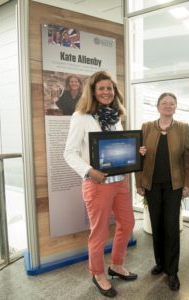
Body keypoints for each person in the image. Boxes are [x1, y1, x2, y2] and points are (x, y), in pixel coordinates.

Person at [64, 71, 138, 298]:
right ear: (93, 92)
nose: (106, 92)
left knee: (128, 223)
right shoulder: (81, 117)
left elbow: (117, 148)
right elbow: (69, 153)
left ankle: (116, 265)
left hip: (119, 181)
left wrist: (136, 152)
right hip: (97, 185)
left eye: (110, 88)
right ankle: (98, 274)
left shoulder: (115, 117)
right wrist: (89, 171)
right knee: (99, 232)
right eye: (102, 88)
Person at [135, 92, 189, 291]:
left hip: (173, 186)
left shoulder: (183, 128)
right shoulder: (146, 127)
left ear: (176, 107)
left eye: (171, 103)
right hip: (151, 184)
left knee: (171, 228)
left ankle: (172, 271)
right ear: (158, 106)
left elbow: (188, 159)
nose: (168, 106)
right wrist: (139, 182)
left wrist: (188, 184)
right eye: (164, 103)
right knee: (157, 226)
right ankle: (160, 263)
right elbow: (139, 156)